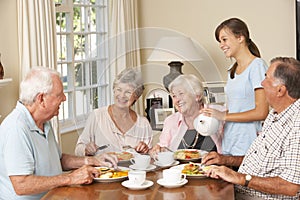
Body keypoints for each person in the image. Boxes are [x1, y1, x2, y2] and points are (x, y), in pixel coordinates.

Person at [0, 66, 118, 199]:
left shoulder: (44, 122)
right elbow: (21, 185)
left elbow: (59, 159)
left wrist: (92, 160)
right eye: (59, 94)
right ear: (41, 99)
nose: (64, 98)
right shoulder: (16, 128)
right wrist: (70, 178)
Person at [202, 57, 300, 199]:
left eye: (266, 78)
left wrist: (239, 178)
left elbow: (290, 186)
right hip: (241, 191)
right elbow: (259, 160)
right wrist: (224, 160)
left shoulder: (296, 125)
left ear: (280, 90)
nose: (262, 83)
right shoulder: (275, 114)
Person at [202, 17, 269, 156]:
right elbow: (236, 108)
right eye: (220, 41)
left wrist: (223, 115)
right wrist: (212, 115)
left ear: (240, 37)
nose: (221, 45)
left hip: (249, 144)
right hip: (230, 141)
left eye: (224, 39)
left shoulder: (257, 66)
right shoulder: (231, 70)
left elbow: (262, 112)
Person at [75, 67, 153, 156]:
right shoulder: (97, 116)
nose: (122, 95)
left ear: (136, 96)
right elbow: (78, 149)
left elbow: (150, 158)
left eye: (128, 92)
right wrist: (86, 149)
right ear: (114, 90)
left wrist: (145, 150)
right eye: (119, 90)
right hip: (102, 169)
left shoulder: (143, 124)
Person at [150, 74, 224, 154]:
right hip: (179, 166)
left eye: (181, 94)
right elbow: (162, 147)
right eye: (174, 96)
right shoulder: (171, 121)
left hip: (214, 166)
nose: (177, 100)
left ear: (197, 96)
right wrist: (157, 150)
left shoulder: (219, 112)